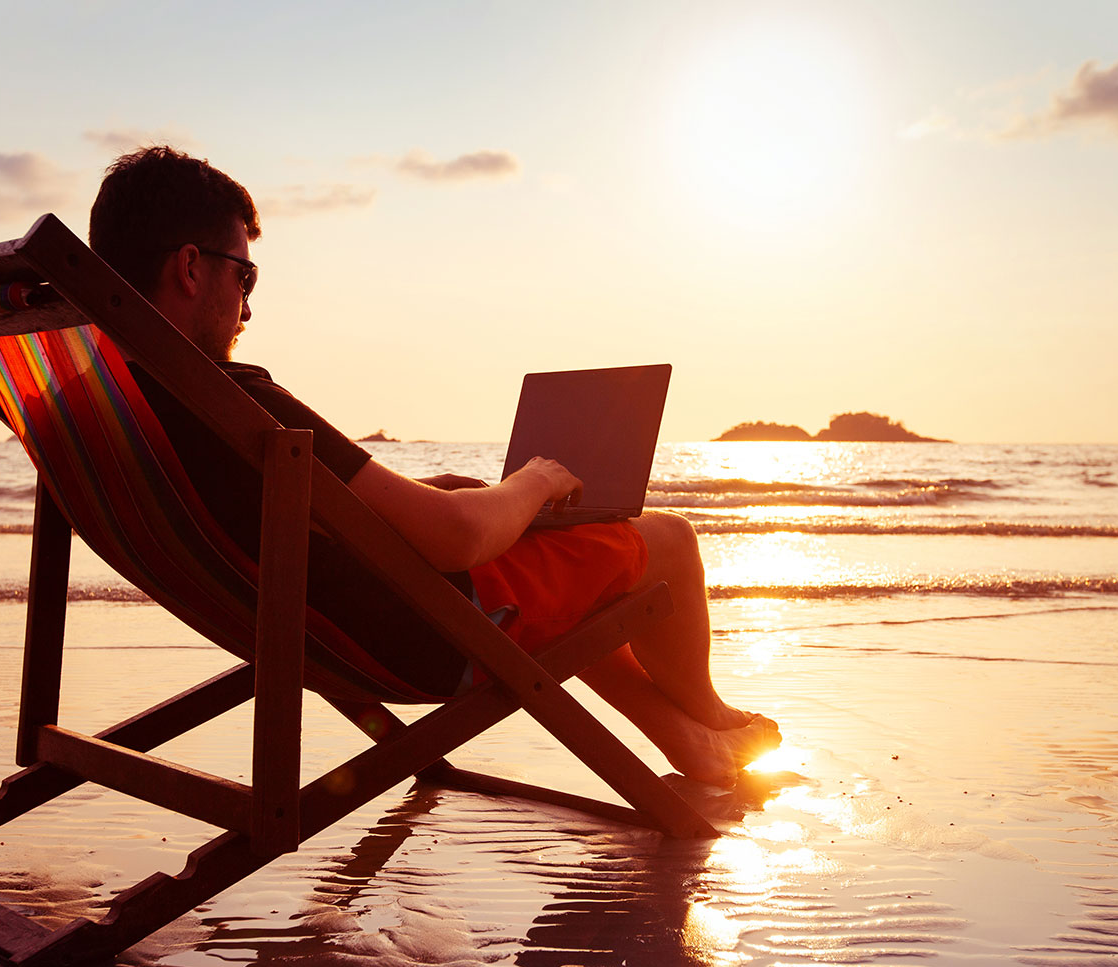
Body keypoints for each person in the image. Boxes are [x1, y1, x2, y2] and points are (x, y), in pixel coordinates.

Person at [89, 146, 778, 786]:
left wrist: (436, 501)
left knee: (553, 556)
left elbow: (319, 518)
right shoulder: (228, 396)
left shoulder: (108, 403)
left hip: (318, 631)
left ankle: (686, 741)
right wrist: (532, 483)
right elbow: (457, 538)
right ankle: (711, 716)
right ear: (188, 267)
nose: (247, 305)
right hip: (423, 634)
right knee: (668, 541)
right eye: (245, 275)